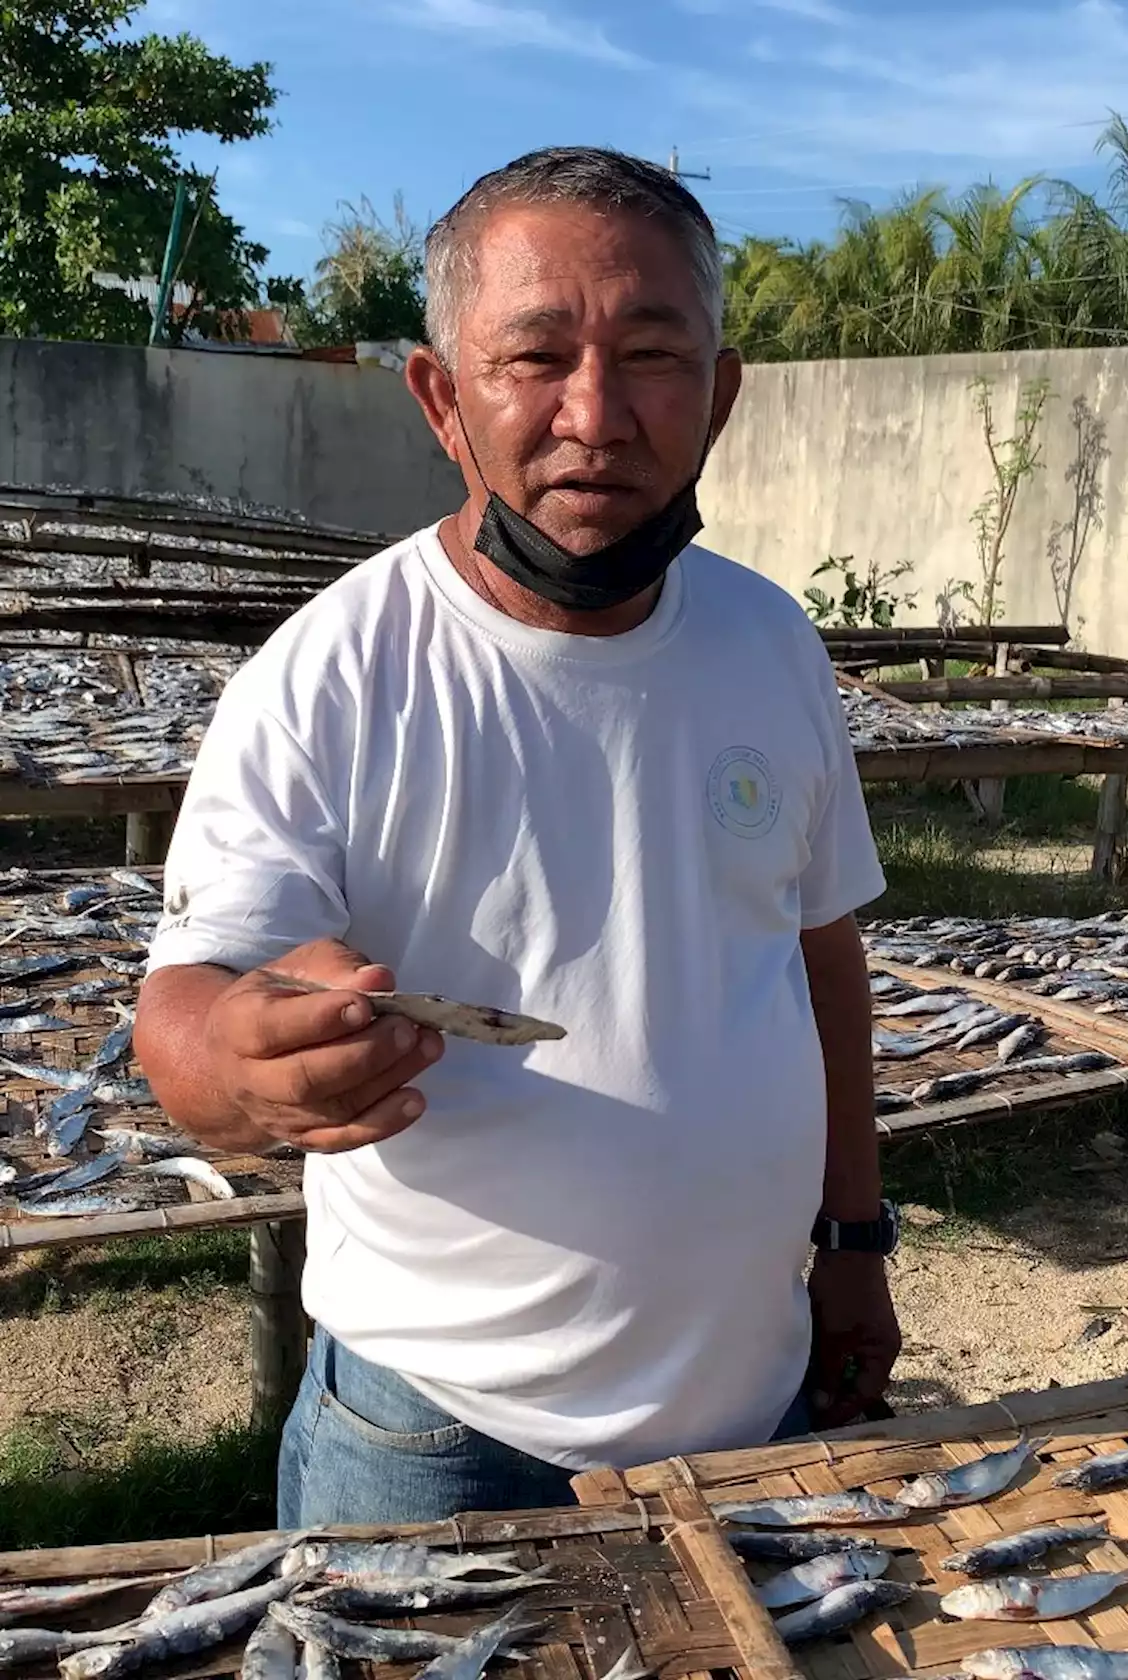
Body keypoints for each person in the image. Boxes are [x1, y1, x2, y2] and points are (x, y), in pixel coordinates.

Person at [135, 145, 900, 1526]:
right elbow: (185, 1011)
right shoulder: (334, 673)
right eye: (534, 357)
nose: (596, 417)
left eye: (654, 355)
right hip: (438, 1446)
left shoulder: (772, 642)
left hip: (757, 1411)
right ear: (441, 397)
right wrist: (243, 1072)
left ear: (720, 396)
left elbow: (819, 954)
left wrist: (854, 1242)